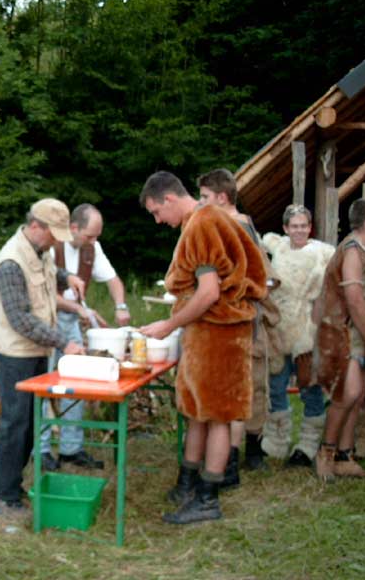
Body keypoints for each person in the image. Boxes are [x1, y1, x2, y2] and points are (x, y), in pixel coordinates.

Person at [138, 171, 266, 524]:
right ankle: (188, 483)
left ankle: (208, 498)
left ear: (169, 198)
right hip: (206, 333)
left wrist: (169, 325)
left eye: (156, 212)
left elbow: (209, 293)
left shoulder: (203, 224)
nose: (158, 221)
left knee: (218, 415)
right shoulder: (197, 222)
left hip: (221, 335)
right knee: (197, 410)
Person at [0, 198, 85, 515]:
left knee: (31, 423)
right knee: (15, 424)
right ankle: (3, 496)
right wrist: (64, 342)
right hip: (16, 353)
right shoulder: (10, 263)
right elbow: (21, 320)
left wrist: (68, 277)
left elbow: (49, 272)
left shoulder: (39, 250)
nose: (56, 241)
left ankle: (14, 486)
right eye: (53, 234)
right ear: (35, 226)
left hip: (37, 350)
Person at [197, 169, 282, 486]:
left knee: (238, 395)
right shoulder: (235, 225)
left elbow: (259, 279)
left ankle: (230, 467)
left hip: (241, 324)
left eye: (205, 197)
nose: (200, 203)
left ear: (221, 197)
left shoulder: (236, 227)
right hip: (239, 322)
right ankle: (229, 462)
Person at [41, 203, 130, 472]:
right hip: (46, 321)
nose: (94, 241)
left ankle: (71, 448)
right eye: (90, 235)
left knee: (77, 382)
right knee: (44, 385)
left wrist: (121, 306)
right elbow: (45, 294)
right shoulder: (52, 246)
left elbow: (113, 280)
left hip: (70, 322)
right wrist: (80, 309)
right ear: (73, 228)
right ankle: (40, 450)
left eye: (96, 236)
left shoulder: (92, 248)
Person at [260, 205, 334, 467]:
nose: (299, 230)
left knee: (309, 386)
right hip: (278, 327)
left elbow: (335, 284)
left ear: (310, 228)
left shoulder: (324, 253)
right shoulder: (277, 247)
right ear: (286, 228)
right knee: (276, 386)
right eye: (294, 226)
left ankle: (308, 445)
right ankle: (276, 441)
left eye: (304, 226)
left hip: (306, 330)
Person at [312, 198, 365, 480]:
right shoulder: (352, 251)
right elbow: (355, 300)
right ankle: (326, 452)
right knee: (346, 394)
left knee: (357, 396)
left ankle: (344, 455)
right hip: (342, 331)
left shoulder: (363, 250)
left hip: (356, 331)